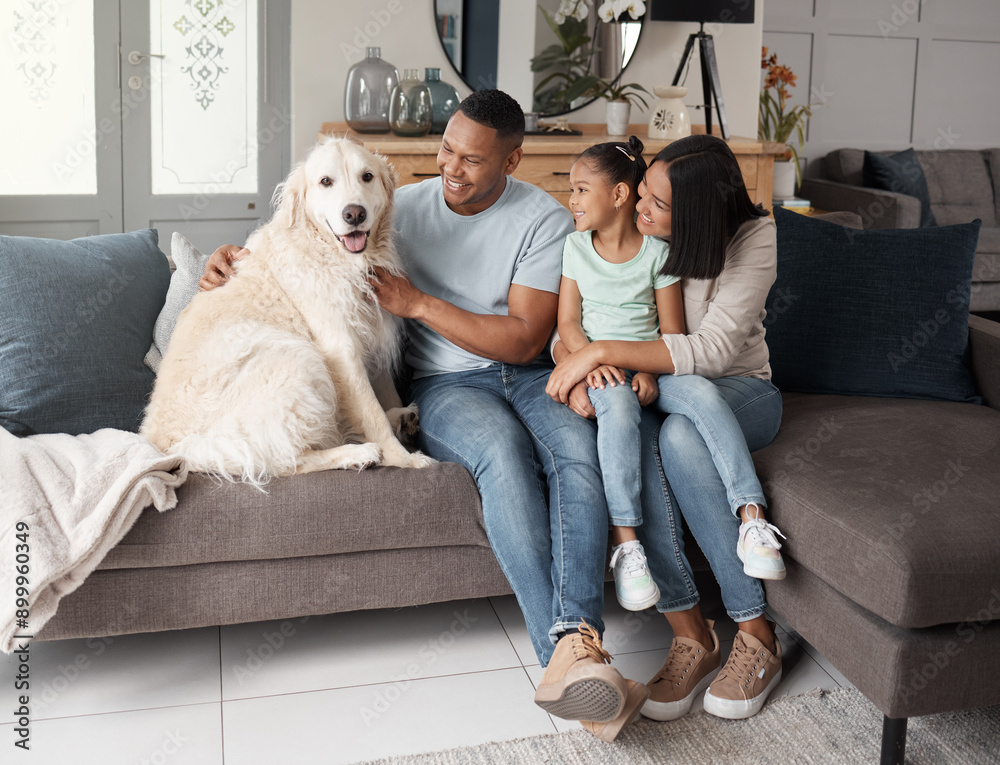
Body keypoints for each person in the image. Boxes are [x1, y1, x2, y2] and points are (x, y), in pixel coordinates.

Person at [200, 89, 647, 742]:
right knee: (504, 459)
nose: (451, 169)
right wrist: (230, 261)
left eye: (471, 160)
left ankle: (576, 643)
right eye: (446, 150)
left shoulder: (543, 220)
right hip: (444, 385)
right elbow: (304, 232)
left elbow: (525, 339)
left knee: (577, 456)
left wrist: (418, 303)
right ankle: (573, 656)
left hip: (526, 373)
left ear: (513, 161)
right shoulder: (398, 206)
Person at [546, 134, 788, 722]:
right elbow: (571, 327)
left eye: (656, 203)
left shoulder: (755, 238)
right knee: (649, 440)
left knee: (679, 436)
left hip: (741, 389)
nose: (641, 210)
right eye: (644, 193)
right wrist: (580, 365)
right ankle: (692, 635)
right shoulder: (634, 242)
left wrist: (598, 350)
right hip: (658, 388)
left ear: (697, 215)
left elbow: (709, 349)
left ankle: (757, 635)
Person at [556, 135, 684, 613]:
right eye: (571, 189)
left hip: (637, 365)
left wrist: (647, 372)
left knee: (624, 397)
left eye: (582, 189)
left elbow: (672, 335)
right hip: (593, 364)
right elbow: (567, 322)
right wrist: (590, 359)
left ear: (619, 195)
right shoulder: (575, 246)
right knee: (615, 398)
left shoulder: (657, 254)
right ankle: (627, 541)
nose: (572, 200)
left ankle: (629, 547)